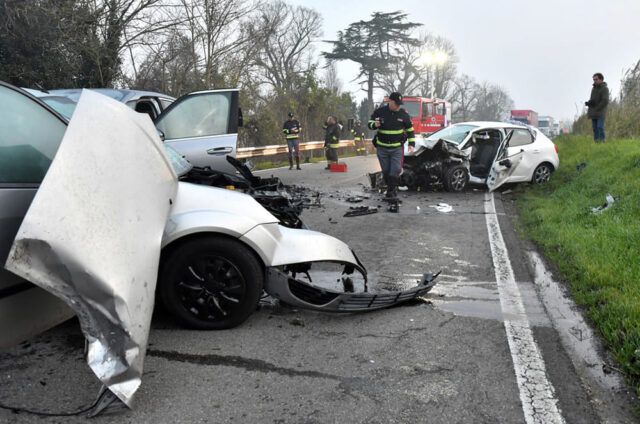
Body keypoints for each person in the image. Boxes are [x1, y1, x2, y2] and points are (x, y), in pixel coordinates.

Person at [368, 92, 415, 199]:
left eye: (399, 104)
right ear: (390, 101)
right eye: (396, 103)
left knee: (396, 169)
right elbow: (369, 124)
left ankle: (391, 191)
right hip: (382, 148)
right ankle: (391, 189)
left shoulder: (404, 114)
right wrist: (374, 124)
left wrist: (412, 144)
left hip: (396, 148)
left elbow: (410, 130)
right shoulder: (380, 112)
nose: (398, 106)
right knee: (386, 171)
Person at [585, 73, 609, 143]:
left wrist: (597, 108)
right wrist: (589, 102)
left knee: (600, 127)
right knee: (595, 129)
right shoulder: (593, 88)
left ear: (601, 79)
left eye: (596, 79)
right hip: (593, 112)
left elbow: (605, 100)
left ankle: (602, 142)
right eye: (594, 79)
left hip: (600, 112)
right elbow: (593, 100)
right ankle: (597, 142)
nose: (594, 81)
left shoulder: (605, 89)